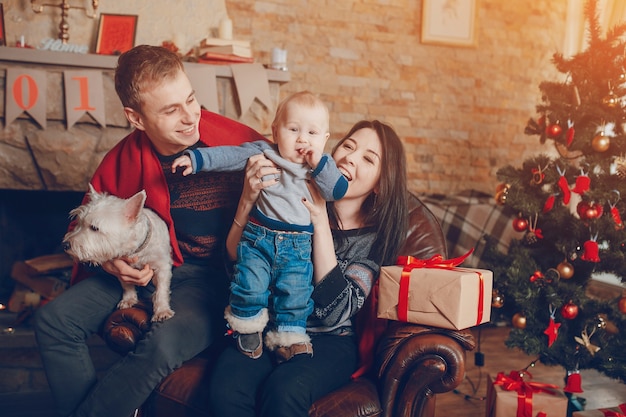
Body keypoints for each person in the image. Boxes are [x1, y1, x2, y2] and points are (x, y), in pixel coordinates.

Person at [33, 45, 265, 417]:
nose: (191, 117)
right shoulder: (120, 159)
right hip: (142, 268)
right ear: (136, 118)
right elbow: (83, 226)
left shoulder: (239, 142)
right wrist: (111, 264)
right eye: (172, 110)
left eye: (191, 100)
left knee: (162, 342)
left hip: (215, 279)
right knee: (53, 322)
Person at [209, 119, 409, 417]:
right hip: (267, 328)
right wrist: (247, 201)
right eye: (348, 146)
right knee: (226, 391)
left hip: (329, 341)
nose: (349, 158)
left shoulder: (373, 242)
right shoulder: (287, 195)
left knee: (284, 391)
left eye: (368, 158)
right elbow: (235, 267)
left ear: (380, 183)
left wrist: (318, 220)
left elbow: (336, 311)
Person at [171, 91, 348, 361]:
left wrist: (320, 162)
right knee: (249, 283)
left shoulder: (321, 168)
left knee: (296, 292)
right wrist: (195, 160)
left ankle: (289, 338)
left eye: (312, 133)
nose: (303, 139)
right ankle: (247, 326)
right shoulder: (265, 152)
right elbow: (229, 156)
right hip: (258, 238)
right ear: (276, 131)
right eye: (293, 129)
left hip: (298, 246)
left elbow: (337, 191)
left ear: (324, 139)